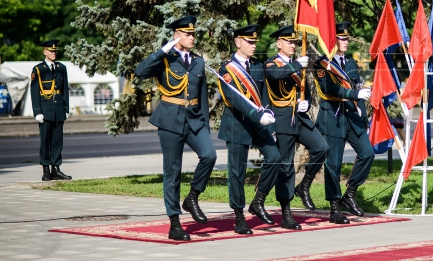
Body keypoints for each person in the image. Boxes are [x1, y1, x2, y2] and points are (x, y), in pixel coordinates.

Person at [134, 15, 216, 241]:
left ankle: (192, 197)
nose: (192, 37)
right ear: (176, 35)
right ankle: (174, 223)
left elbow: (202, 97)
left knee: (209, 155)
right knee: (173, 172)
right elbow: (140, 72)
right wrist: (161, 51)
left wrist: (205, 127)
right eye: (187, 34)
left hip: (194, 119)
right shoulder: (164, 59)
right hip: (170, 121)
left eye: (193, 34)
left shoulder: (198, 61)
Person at [216, 24, 282, 234]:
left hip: (259, 123)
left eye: (255, 42)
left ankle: (258, 201)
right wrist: (258, 115)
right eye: (249, 42)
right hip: (237, 123)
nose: (254, 45)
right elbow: (233, 98)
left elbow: (263, 96)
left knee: (275, 157)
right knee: (237, 171)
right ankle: (238, 216)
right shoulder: (226, 69)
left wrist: (269, 119)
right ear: (238, 42)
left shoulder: (257, 66)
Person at [264, 26, 330, 224]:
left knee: (321, 148)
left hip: (300, 119)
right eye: (289, 42)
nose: (293, 45)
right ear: (279, 44)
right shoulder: (271, 63)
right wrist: (296, 67)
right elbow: (275, 76)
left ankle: (304, 186)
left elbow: (306, 93)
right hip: (283, 120)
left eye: (294, 42)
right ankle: (286, 210)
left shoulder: (296, 65)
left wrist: (306, 103)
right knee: (286, 166)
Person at [314, 22, 373, 220]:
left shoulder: (350, 63)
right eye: (342, 38)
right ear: (333, 40)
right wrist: (355, 94)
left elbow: (357, 86)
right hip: (333, 117)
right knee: (334, 164)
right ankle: (334, 207)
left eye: (347, 38)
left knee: (367, 153)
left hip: (352, 117)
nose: (346, 41)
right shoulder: (323, 64)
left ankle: (350, 193)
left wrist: (363, 114)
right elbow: (330, 89)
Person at [30, 39, 72, 182]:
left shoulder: (62, 68)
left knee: (57, 141)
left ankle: (56, 169)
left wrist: (66, 107)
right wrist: (37, 111)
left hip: (58, 109)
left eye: (55, 51)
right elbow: (34, 91)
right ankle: (46, 169)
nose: (54, 53)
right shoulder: (38, 69)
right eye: (51, 51)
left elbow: (65, 89)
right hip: (45, 109)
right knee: (45, 141)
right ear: (45, 51)